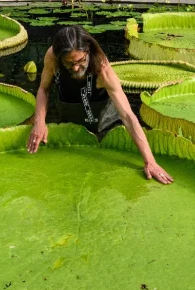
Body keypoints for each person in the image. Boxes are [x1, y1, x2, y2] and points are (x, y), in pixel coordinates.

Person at [27, 25, 174, 184]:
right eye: (69, 63)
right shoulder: (52, 56)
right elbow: (44, 89)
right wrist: (40, 122)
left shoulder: (103, 69)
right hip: (70, 128)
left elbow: (127, 116)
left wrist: (150, 161)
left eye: (80, 60)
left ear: (88, 50)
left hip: (104, 126)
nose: (76, 68)